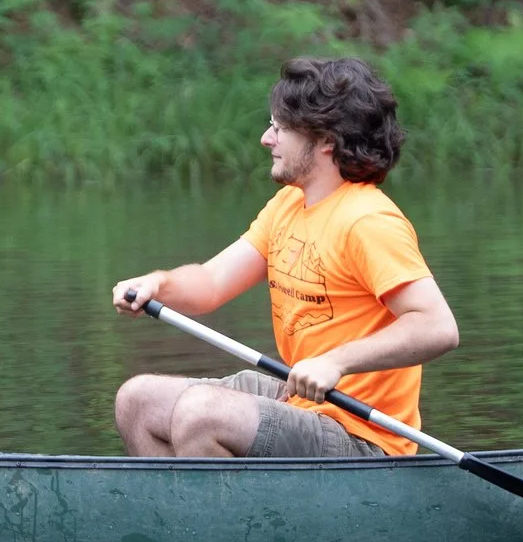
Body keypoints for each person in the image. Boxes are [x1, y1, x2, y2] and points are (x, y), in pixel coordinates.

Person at [110, 56, 457, 458]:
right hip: (300, 400)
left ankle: (225, 519)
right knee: (137, 401)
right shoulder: (289, 205)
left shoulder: (369, 221)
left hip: (361, 434)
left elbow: (437, 327)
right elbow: (210, 283)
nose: (266, 138)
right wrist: (158, 284)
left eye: (280, 128)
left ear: (325, 140)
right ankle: (183, 518)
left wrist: (335, 362)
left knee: (202, 414)